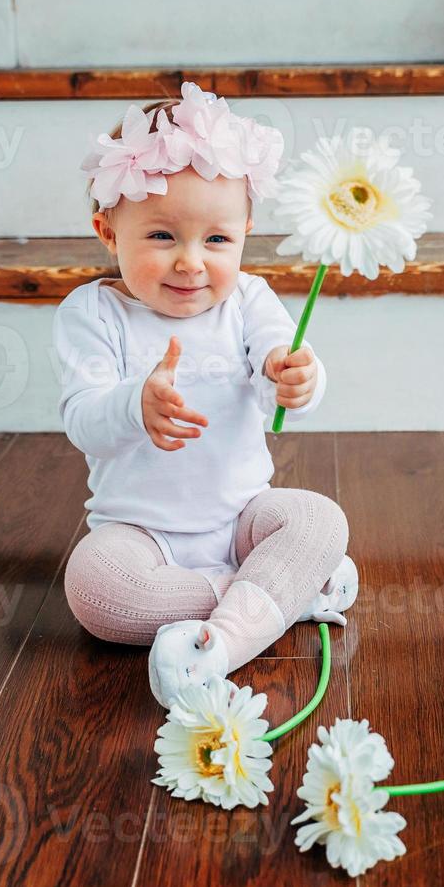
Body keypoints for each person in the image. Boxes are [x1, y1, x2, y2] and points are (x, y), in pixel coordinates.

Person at [56, 82, 358, 708]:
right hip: (142, 535)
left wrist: (299, 375)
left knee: (318, 518)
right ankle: (275, 598)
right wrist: (134, 404)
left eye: (216, 240)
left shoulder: (248, 299)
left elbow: (280, 354)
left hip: (242, 519)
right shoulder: (93, 312)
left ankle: (215, 640)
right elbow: (83, 419)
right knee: (95, 590)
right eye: (162, 237)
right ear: (107, 231)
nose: (192, 262)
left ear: (245, 231)